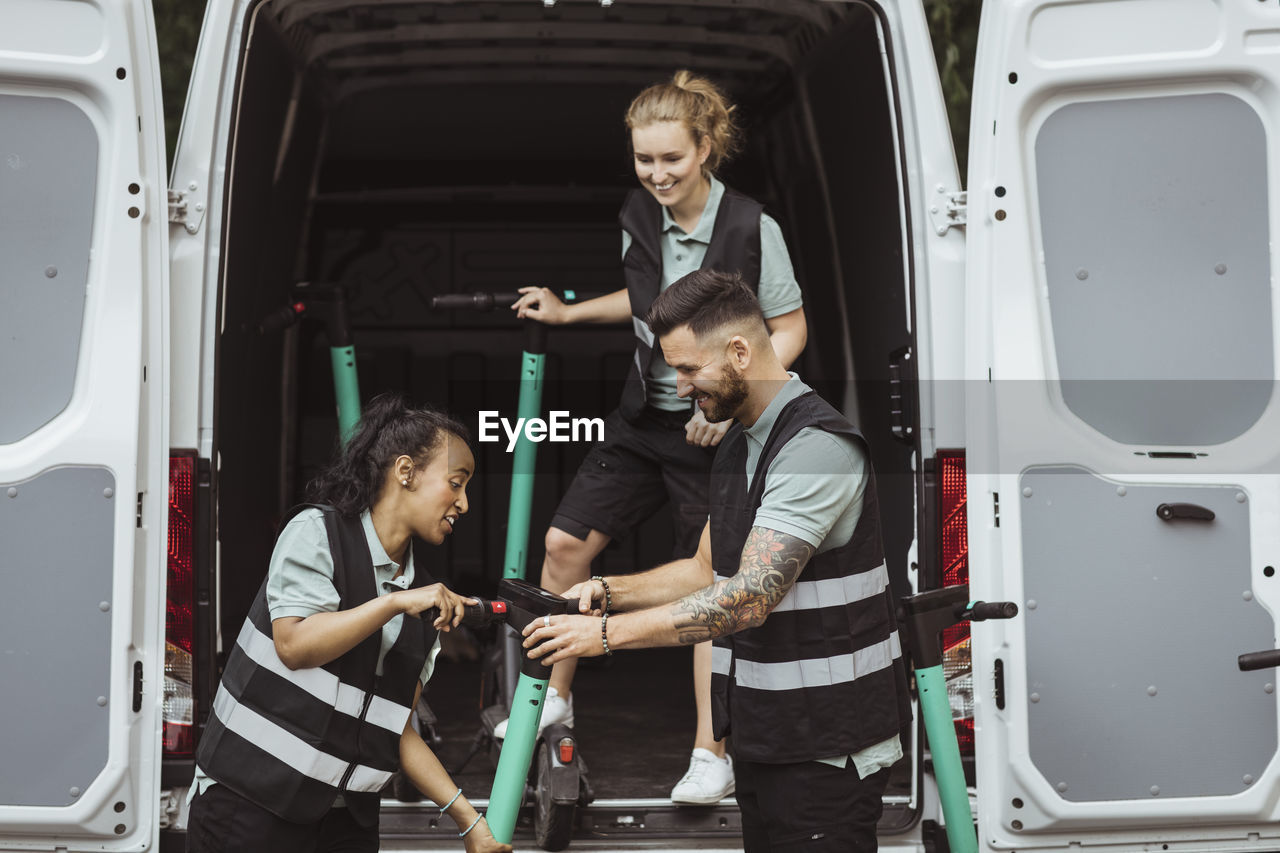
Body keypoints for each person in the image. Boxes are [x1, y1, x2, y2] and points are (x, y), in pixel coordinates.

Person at [520, 271, 912, 852]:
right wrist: (606, 590)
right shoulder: (739, 440)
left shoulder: (816, 449)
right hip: (767, 737)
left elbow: (749, 596)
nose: (678, 388)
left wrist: (603, 635)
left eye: (687, 369)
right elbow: (708, 568)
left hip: (829, 748)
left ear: (738, 351)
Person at [503, 70, 808, 805]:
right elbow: (648, 307)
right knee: (562, 546)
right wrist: (568, 312)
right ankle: (555, 695)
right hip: (645, 420)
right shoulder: (639, 213)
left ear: (704, 148)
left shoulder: (751, 228)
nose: (658, 173)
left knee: (708, 581)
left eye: (672, 158)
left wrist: (732, 398)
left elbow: (790, 328)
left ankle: (712, 751)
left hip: (717, 432)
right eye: (646, 160)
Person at [186, 395, 510, 853]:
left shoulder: (425, 596)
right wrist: (394, 604)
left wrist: (469, 821)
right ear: (406, 472)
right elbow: (295, 645)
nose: (465, 503)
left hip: (344, 822)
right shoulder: (317, 532)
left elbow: (395, 726)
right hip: (251, 803)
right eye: (456, 484)